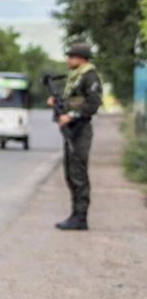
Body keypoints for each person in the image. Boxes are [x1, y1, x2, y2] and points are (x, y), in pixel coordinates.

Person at [49, 42, 102, 230]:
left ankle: (80, 217)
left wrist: (70, 116)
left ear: (81, 59)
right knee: (71, 173)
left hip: (80, 129)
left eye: (71, 56)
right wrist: (58, 103)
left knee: (78, 173)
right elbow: (74, 101)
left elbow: (92, 104)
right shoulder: (75, 77)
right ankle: (75, 214)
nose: (68, 60)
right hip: (72, 129)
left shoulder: (89, 77)